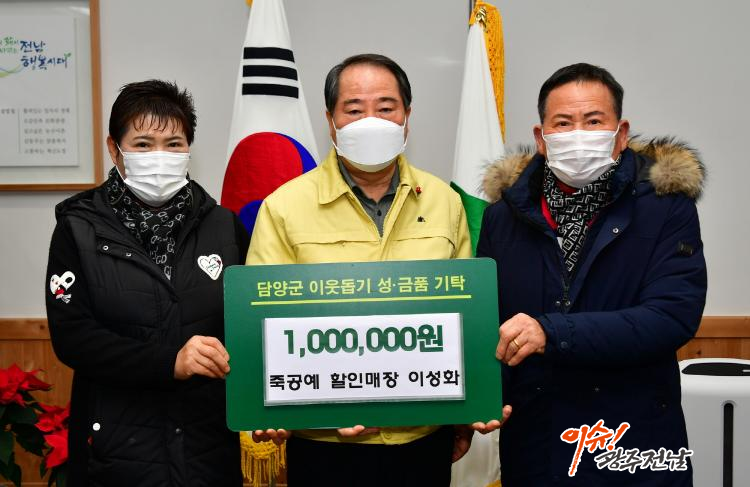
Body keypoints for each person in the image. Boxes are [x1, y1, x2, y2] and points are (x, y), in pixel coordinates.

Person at [246, 53, 508, 486]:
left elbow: (466, 317)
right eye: (354, 109)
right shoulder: (285, 206)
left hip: (422, 438)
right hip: (325, 444)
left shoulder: (443, 200)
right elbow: (263, 324)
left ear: (407, 117)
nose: (371, 121)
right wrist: (281, 411)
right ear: (330, 122)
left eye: (386, 108)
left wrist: (469, 408)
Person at [477, 63, 707, 486]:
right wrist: (483, 397)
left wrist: (550, 332)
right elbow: (490, 324)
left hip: (633, 447)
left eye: (594, 121)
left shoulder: (665, 208)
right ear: (541, 138)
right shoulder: (502, 218)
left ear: (621, 134)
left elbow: (672, 316)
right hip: (538, 449)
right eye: (563, 123)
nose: (578, 134)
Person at [45, 80, 247, 486]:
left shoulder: (224, 226)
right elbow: (73, 337)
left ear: (189, 149)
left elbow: (247, 325)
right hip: (116, 452)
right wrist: (169, 362)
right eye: (142, 144)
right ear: (114, 149)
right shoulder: (78, 230)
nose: (159, 156)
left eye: (173, 144)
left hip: (208, 450)